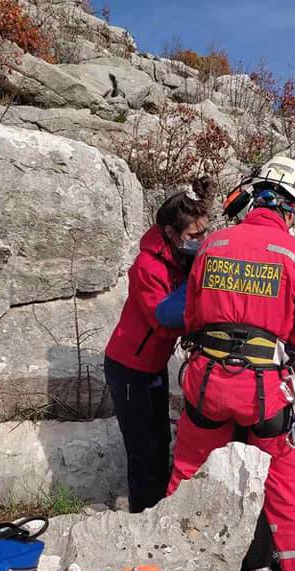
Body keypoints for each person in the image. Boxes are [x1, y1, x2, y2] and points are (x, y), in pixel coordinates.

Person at [167, 156, 295, 571]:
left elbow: (192, 317)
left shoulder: (212, 245)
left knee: (186, 477)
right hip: (266, 392)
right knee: (291, 499)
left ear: (250, 195)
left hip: (206, 382)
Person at [104, 178, 214, 513]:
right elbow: (162, 318)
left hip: (152, 367)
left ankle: (159, 508)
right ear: (170, 232)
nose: (201, 240)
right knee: (142, 447)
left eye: (204, 232)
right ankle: (142, 515)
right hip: (128, 369)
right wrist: (197, 275)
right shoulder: (146, 267)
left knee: (161, 441)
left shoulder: (179, 257)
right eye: (194, 235)